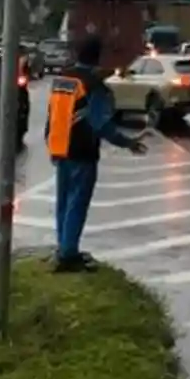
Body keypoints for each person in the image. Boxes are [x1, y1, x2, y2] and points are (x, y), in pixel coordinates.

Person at [45, 35, 147, 273]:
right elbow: (101, 124)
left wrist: (51, 143)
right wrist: (128, 143)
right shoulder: (94, 85)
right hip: (82, 150)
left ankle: (63, 247)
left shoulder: (62, 79)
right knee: (77, 202)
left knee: (63, 201)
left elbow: (53, 114)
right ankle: (69, 254)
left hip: (60, 147)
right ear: (97, 57)